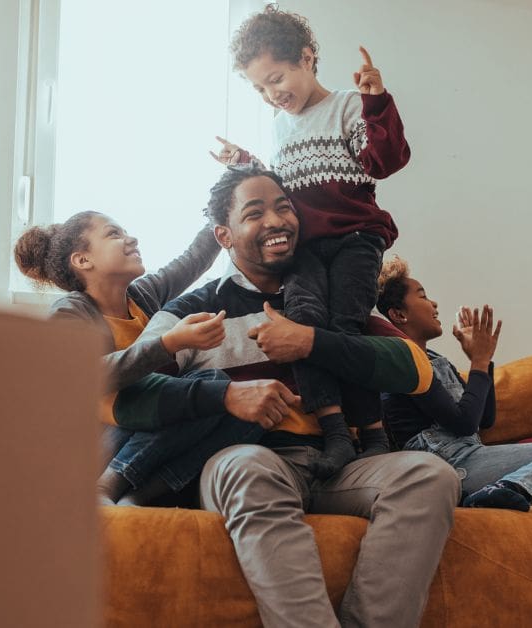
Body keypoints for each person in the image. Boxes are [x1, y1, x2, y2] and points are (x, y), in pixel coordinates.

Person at [112, 165, 458, 627]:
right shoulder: (190, 309)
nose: (277, 221)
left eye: (283, 207)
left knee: (431, 476)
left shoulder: (334, 296)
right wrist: (226, 397)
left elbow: (417, 371)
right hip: (246, 459)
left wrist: (312, 341)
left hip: (340, 466)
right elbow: (124, 399)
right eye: (255, 213)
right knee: (246, 466)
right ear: (224, 235)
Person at [207, 6, 411, 478]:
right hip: (304, 248)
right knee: (302, 328)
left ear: (306, 58)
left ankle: (374, 433)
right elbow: (281, 186)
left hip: (354, 239)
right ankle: (336, 430)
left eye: (276, 79)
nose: (271, 95)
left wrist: (376, 101)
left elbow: (385, 160)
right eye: (259, 88)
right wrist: (245, 160)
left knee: (344, 327)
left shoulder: (346, 106)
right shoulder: (280, 127)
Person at [14, 212, 260, 506]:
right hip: (102, 442)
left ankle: (136, 497)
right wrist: (168, 343)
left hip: (149, 431)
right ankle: (108, 484)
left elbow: (195, 258)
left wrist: (227, 205)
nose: (131, 239)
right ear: (82, 260)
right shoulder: (71, 311)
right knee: (214, 386)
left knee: (254, 406)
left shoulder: (144, 295)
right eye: (114, 234)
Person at [376, 256, 532, 511]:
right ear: (398, 314)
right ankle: (506, 490)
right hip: (446, 463)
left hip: (467, 455)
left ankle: (501, 490)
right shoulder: (402, 361)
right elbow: (464, 423)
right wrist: (480, 362)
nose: (434, 304)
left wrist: (481, 359)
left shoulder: (435, 360)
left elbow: (484, 419)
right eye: (423, 296)